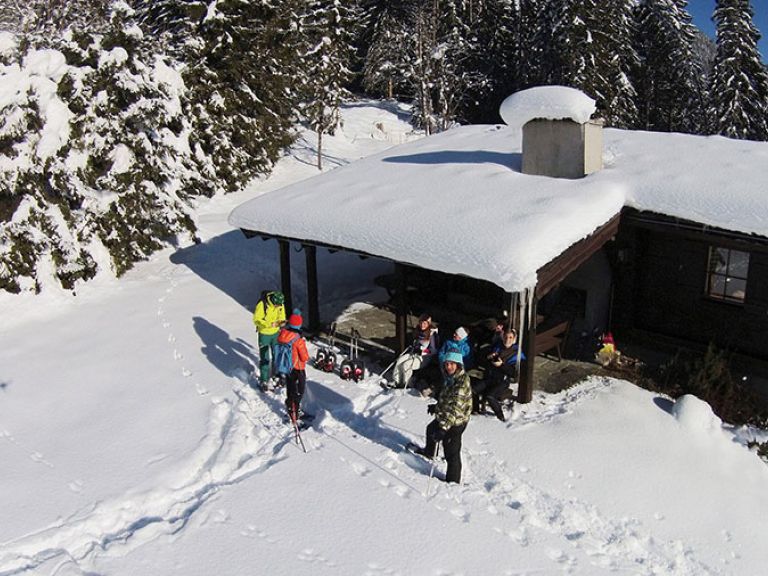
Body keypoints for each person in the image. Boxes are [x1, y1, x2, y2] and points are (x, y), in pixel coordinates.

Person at [412, 351, 472, 484]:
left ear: (458, 365)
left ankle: (453, 481)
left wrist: (444, 429)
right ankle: (430, 452)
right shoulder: (451, 378)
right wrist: (437, 406)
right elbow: (447, 399)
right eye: (446, 364)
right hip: (445, 416)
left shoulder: (461, 384)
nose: (448, 367)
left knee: (451, 452)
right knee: (431, 429)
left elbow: (455, 409)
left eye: (451, 364)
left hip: (455, 422)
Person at [473, 325, 525, 422]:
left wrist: (501, 365)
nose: (507, 340)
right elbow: (482, 359)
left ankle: (500, 417)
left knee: (490, 396)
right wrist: (488, 357)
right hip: (490, 377)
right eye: (505, 336)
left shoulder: (516, 354)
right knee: (473, 390)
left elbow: (514, 373)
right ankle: (475, 411)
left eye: (510, 337)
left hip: (502, 381)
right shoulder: (497, 346)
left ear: (514, 339)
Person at [390, 313, 438, 388]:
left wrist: (422, 352)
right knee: (400, 360)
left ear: (428, 324)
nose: (422, 325)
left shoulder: (432, 334)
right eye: (421, 323)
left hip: (424, 358)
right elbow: (415, 342)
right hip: (413, 353)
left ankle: (406, 383)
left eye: (425, 323)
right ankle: (397, 381)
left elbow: (433, 350)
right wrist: (413, 346)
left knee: (406, 365)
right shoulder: (418, 331)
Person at [277, 310, 310, 420]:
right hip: (298, 368)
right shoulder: (298, 340)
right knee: (299, 390)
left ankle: (290, 406)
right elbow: (305, 357)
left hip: (287, 367)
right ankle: (295, 411)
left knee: (290, 388)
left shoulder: (283, 335)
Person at [253, 291, 287, 385]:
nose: (278, 307)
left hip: (275, 333)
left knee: (276, 354)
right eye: (276, 305)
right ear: (272, 301)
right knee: (265, 357)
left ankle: (276, 375)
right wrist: (269, 324)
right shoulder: (262, 304)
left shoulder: (280, 304)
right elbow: (256, 320)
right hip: (264, 334)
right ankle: (264, 379)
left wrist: (281, 322)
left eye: (279, 305)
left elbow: (282, 316)